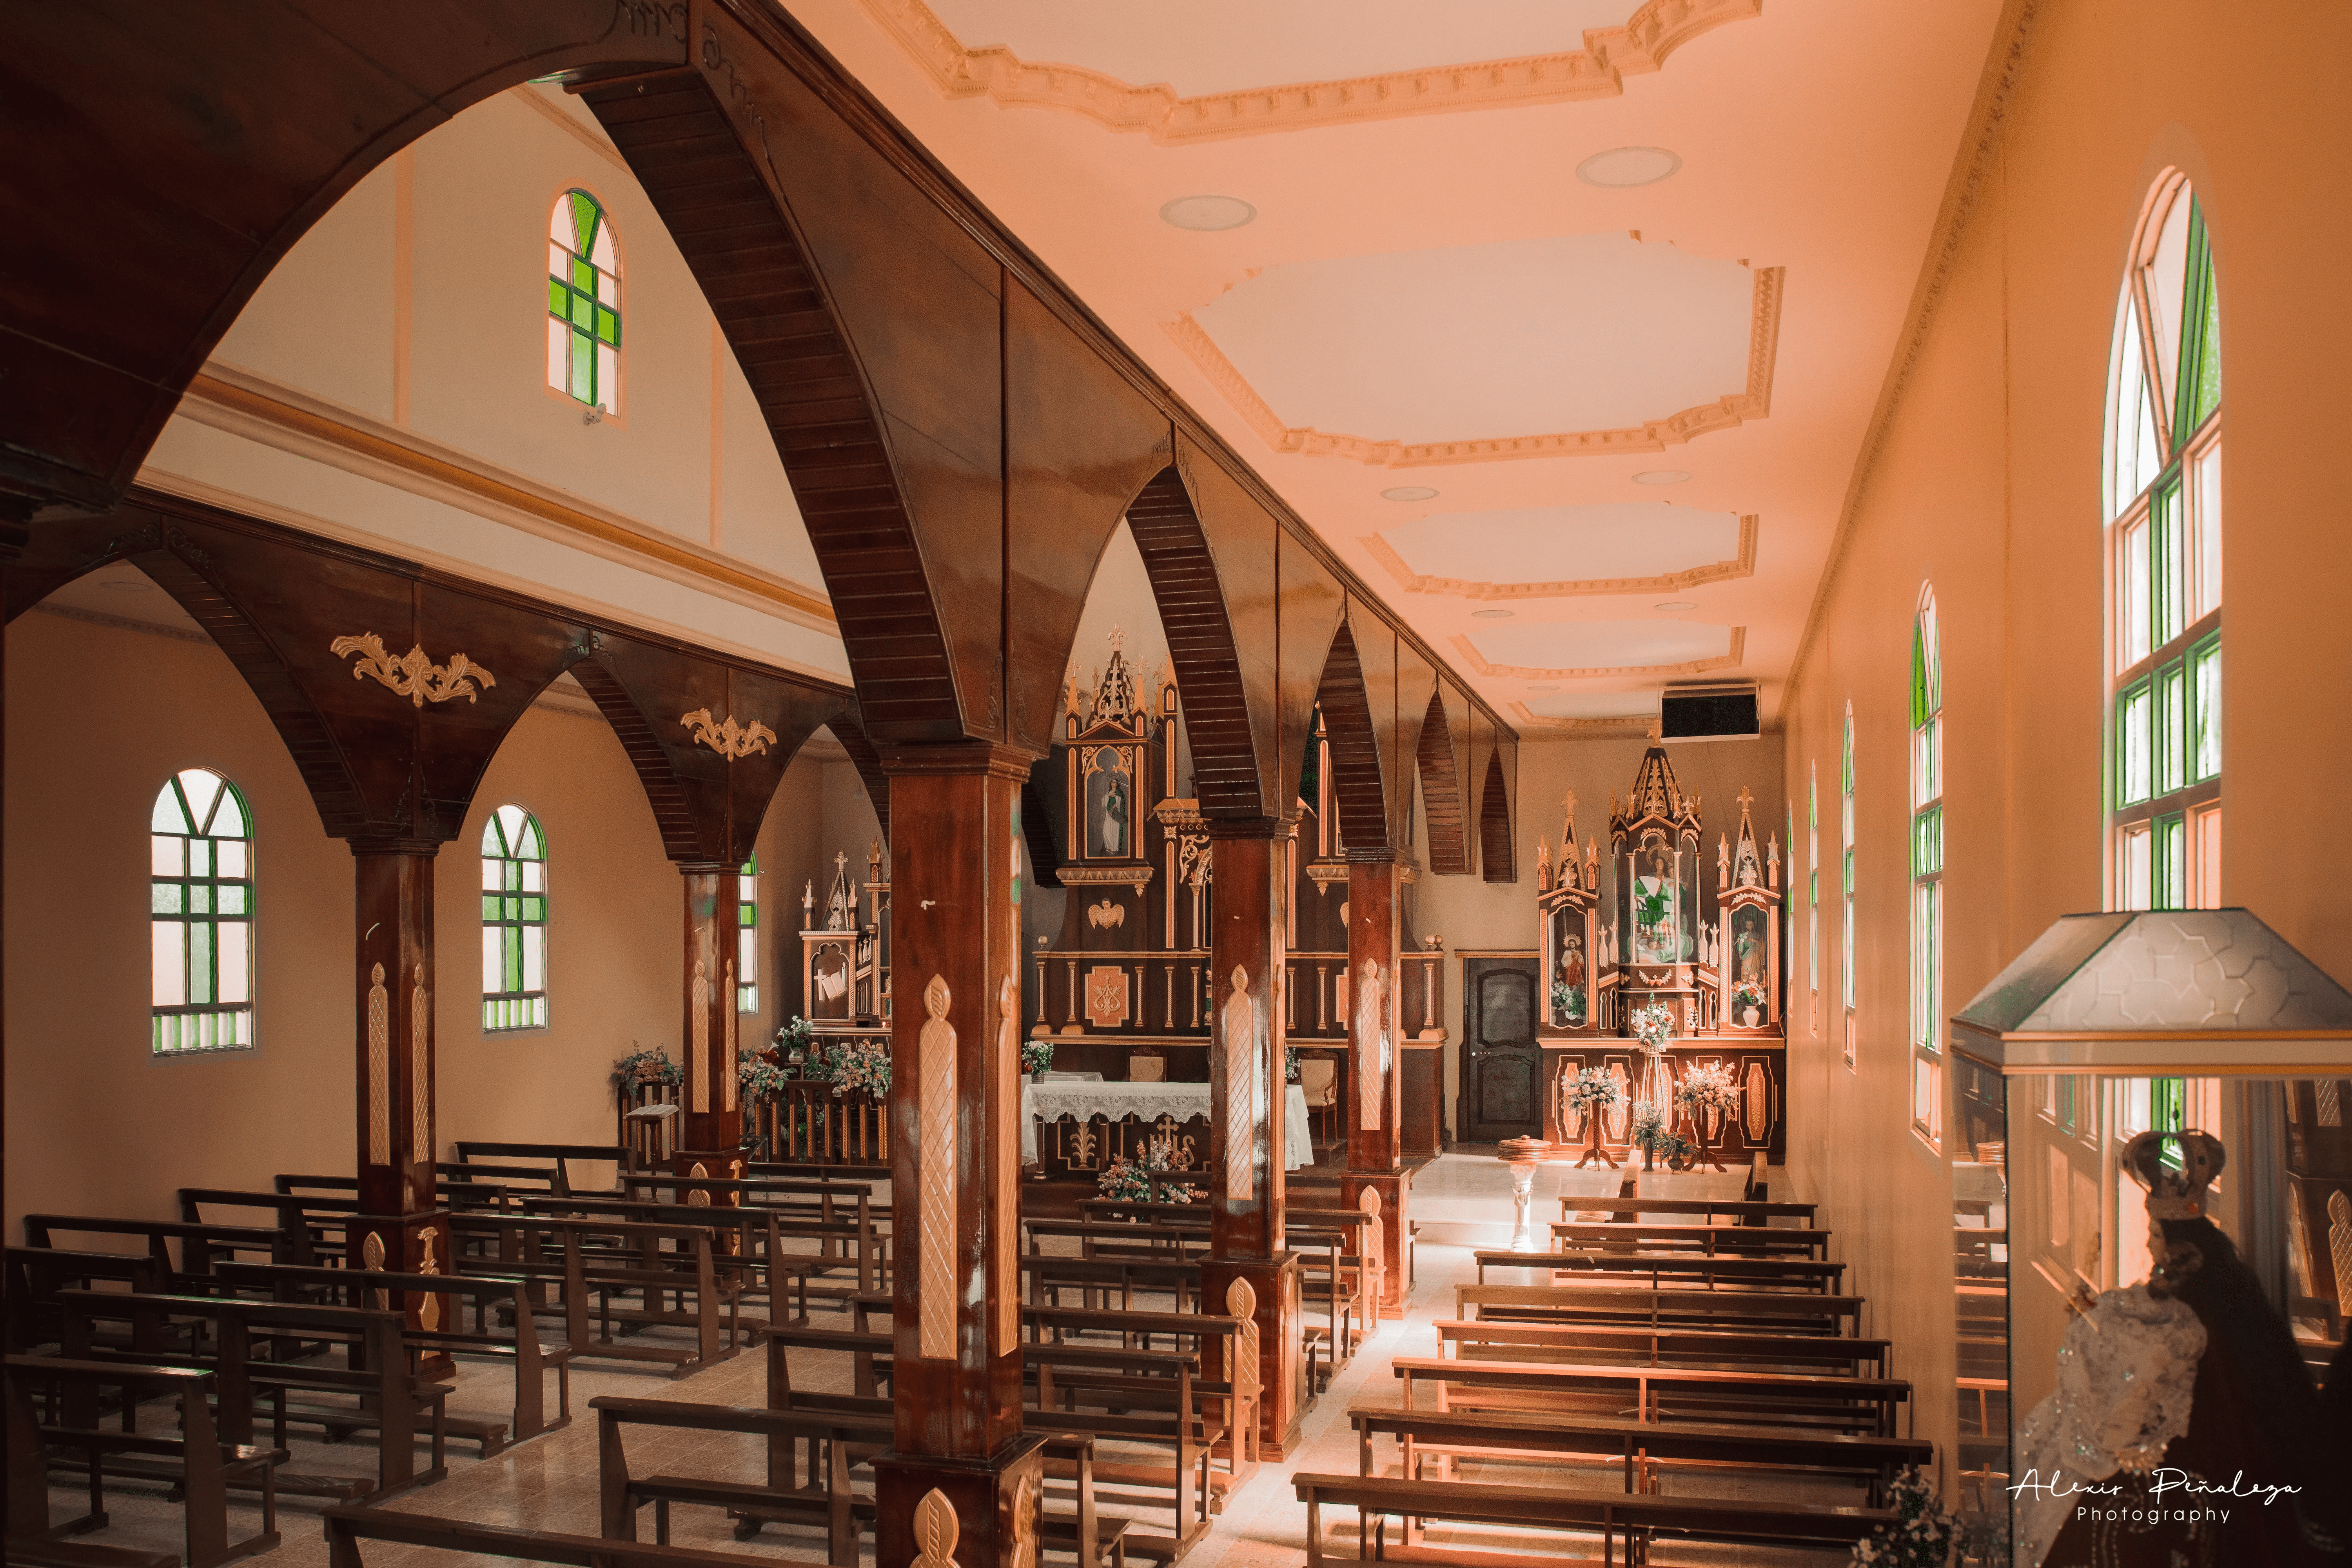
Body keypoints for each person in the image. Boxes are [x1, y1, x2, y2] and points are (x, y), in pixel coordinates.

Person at [2025, 1130, 2348, 1567]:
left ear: (2175, 1239)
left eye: (2155, 1233)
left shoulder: (2180, 1312)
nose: (2148, 1244)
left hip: (2194, 1460)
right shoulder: (2234, 1290)